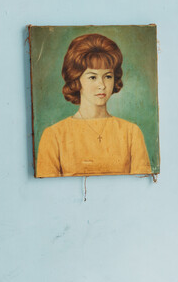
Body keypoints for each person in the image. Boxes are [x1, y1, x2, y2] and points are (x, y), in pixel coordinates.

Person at [35, 33, 152, 177]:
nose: (102, 85)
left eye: (107, 76)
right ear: (76, 80)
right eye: (92, 77)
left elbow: (140, 184)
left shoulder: (131, 133)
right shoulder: (54, 136)